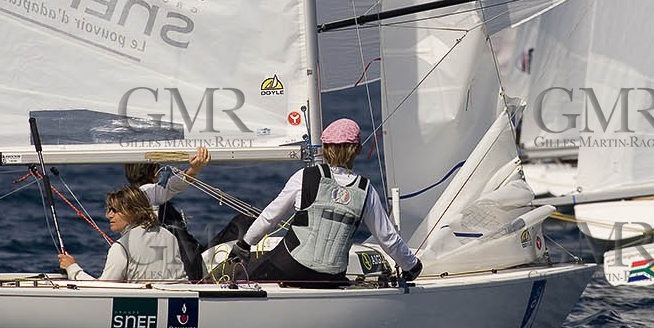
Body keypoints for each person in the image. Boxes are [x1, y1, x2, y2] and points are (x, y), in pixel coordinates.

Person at [230, 118, 422, 287]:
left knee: (238, 276)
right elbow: (388, 238)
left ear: (325, 148)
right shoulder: (366, 190)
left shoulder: (304, 177)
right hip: (332, 277)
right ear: (357, 150)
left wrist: (245, 244)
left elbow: (270, 217)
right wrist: (412, 266)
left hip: (289, 266)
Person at [58, 186, 189, 282]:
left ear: (133, 211)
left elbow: (102, 289)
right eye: (109, 210)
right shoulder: (168, 236)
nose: (108, 215)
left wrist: (73, 269)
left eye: (114, 210)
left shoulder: (120, 248)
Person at [124, 147, 212, 279]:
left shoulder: (130, 196)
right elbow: (172, 186)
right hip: (182, 266)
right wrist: (194, 170)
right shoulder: (147, 192)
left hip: (162, 260)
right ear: (155, 171)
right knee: (243, 220)